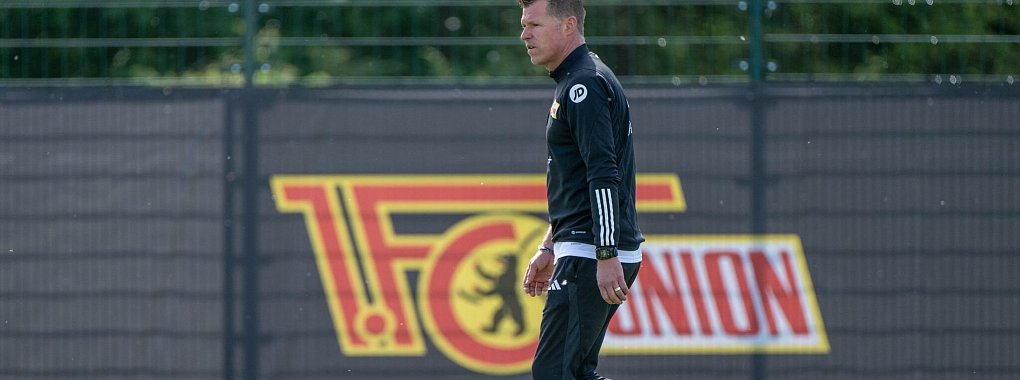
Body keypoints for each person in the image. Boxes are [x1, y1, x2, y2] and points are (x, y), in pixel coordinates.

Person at [517, 0, 643, 379]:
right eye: (524, 25)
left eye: (535, 25)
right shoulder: (577, 81)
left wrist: (605, 253)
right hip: (586, 245)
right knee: (575, 372)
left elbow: (603, 174)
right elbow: (578, 180)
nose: (524, 35)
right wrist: (550, 245)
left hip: (593, 251)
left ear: (569, 24)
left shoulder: (584, 85)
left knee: (553, 373)